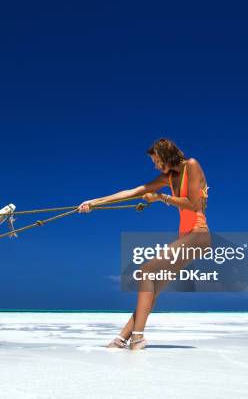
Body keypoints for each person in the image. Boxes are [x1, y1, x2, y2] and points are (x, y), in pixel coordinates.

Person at [78, 138, 211, 350]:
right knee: (153, 289)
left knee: (147, 271)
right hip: (184, 238)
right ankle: (122, 338)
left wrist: (161, 197)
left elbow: (193, 204)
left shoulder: (191, 165)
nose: (155, 166)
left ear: (167, 156)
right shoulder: (168, 177)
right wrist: (93, 203)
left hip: (198, 235)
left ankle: (137, 338)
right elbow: (133, 191)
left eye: (157, 161)